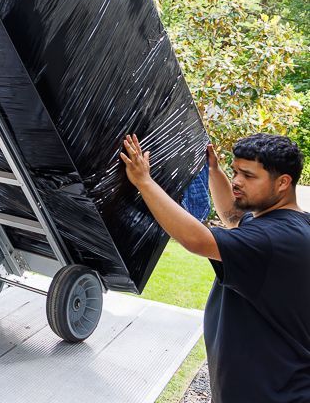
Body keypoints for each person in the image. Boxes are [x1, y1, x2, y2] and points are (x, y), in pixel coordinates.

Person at [120, 132, 309, 402]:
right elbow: (232, 216)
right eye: (235, 172)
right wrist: (213, 169)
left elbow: (197, 240)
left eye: (249, 176)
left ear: (283, 183)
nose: (236, 182)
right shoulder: (291, 223)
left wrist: (143, 181)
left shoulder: (269, 240)